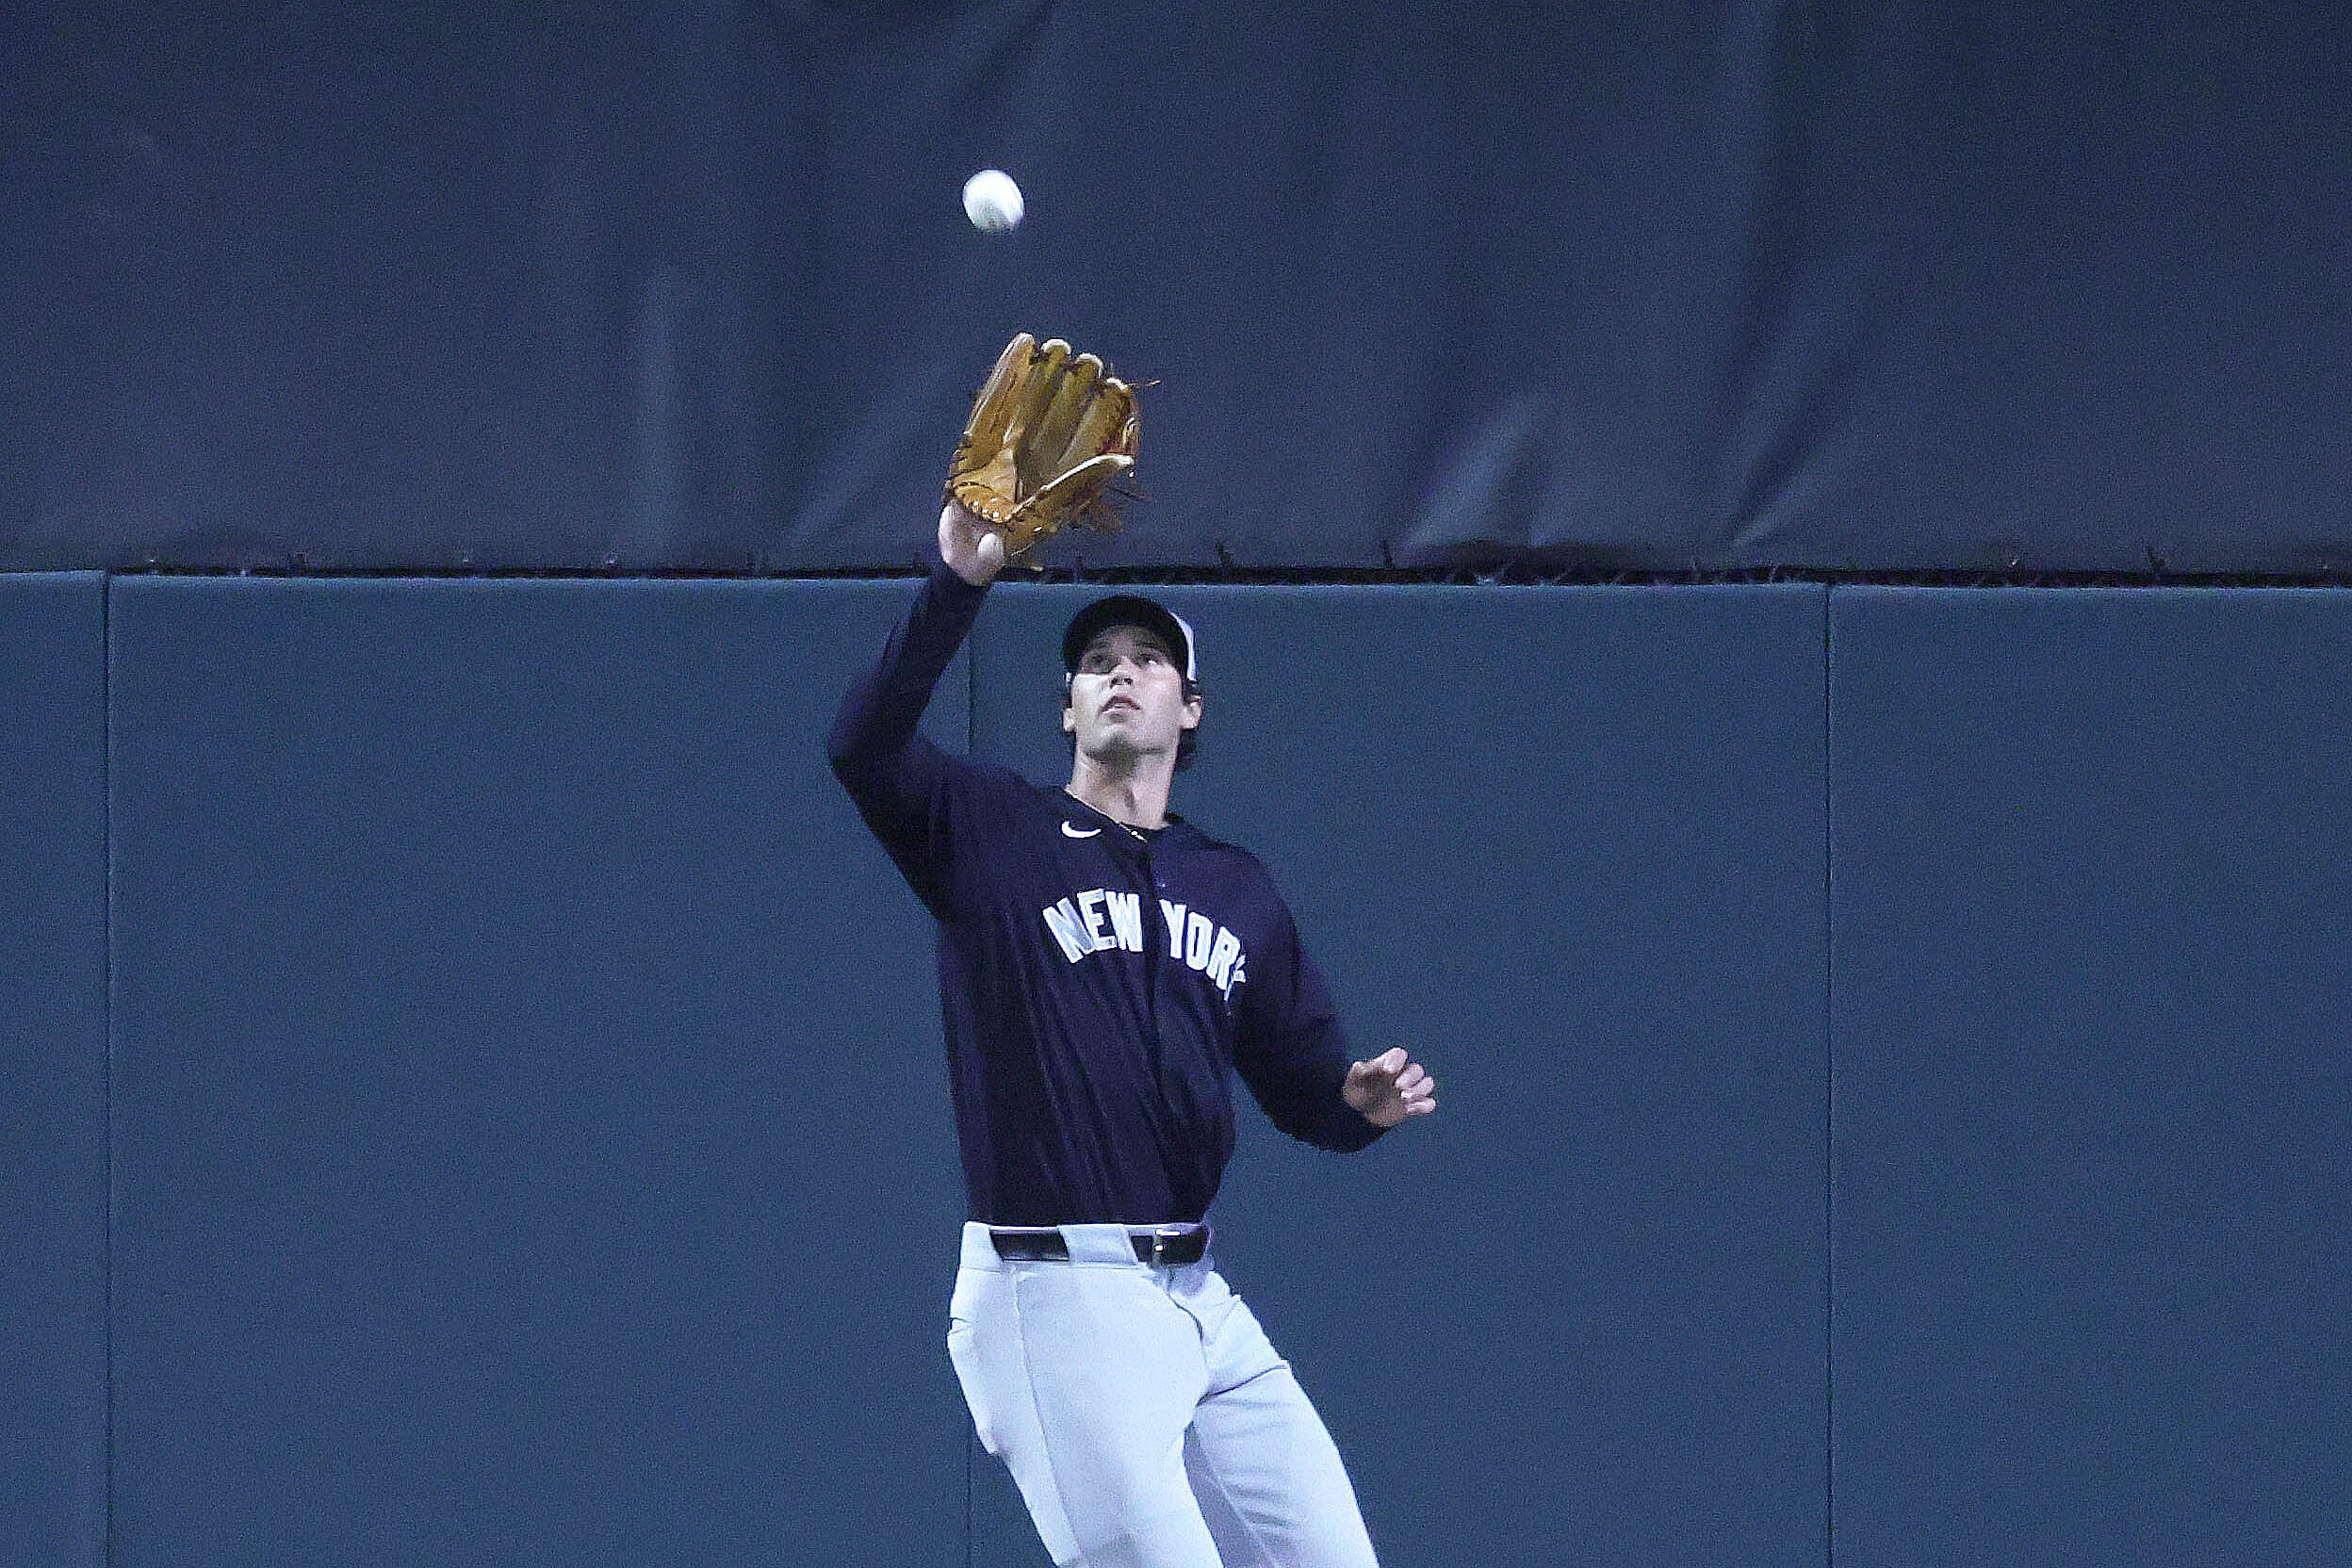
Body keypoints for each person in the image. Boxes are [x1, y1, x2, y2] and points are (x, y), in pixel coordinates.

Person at [827, 499, 1437, 1568]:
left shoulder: (1234, 886)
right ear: (1066, 708)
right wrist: (958, 580)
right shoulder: (993, 831)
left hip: (1198, 1299)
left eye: (1147, 658)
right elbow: (862, 744)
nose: (1118, 670)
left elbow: (1302, 1085)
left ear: (1189, 708)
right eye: (1095, 660)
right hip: (1051, 1298)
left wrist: (1356, 1104)